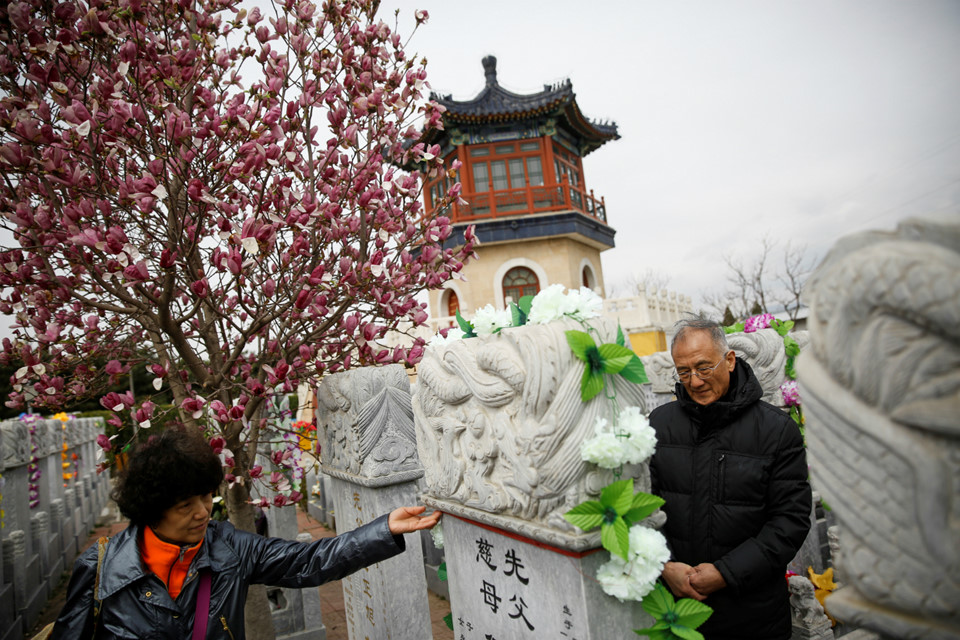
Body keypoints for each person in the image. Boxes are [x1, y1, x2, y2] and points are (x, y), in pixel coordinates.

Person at [51, 426, 440, 639]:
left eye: (206, 498)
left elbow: (308, 561)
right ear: (152, 508)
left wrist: (382, 529)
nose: (203, 512)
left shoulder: (228, 548)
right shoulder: (102, 566)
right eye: (186, 505)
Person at [649, 315, 811, 640]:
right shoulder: (658, 425)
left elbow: (789, 522)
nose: (694, 381)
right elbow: (643, 509)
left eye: (704, 367)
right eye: (683, 372)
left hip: (753, 616)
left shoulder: (776, 431)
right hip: (678, 613)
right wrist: (664, 567)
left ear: (730, 360)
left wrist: (725, 573)